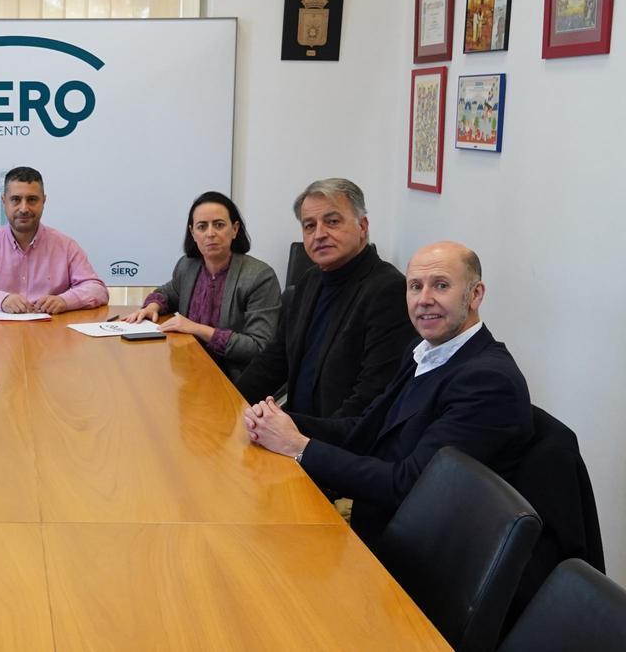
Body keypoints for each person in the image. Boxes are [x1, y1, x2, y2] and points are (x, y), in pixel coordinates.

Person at [243, 242, 532, 544]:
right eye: (415, 287)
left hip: (410, 550)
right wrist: (279, 422)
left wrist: (298, 446)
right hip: (377, 518)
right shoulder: (422, 351)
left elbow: (407, 486)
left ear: (475, 294)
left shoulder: (487, 381)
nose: (424, 300)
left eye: (441, 286)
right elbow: (364, 429)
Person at [234, 178, 417, 418]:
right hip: (295, 428)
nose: (319, 234)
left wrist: (293, 434)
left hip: (334, 443)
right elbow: (275, 360)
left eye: (332, 222)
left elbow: (369, 400)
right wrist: (229, 401)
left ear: (362, 226)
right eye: (309, 226)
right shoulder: (311, 280)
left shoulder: (388, 291)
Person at [122, 191, 281, 381]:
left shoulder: (259, 276)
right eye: (202, 226)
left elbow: (259, 348)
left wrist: (197, 328)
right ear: (193, 233)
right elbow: (169, 292)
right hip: (187, 370)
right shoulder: (188, 265)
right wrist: (152, 306)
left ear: (235, 229)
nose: (210, 233)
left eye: (219, 225)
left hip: (232, 379)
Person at [0, 166, 109, 314]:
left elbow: (97, 290)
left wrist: (64, 301)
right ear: (4, 201)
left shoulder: (66, 246)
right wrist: (0, 299)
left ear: (44, 201)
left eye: (32, 199)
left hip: (51, 336)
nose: (24, 208)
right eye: (16, 199)